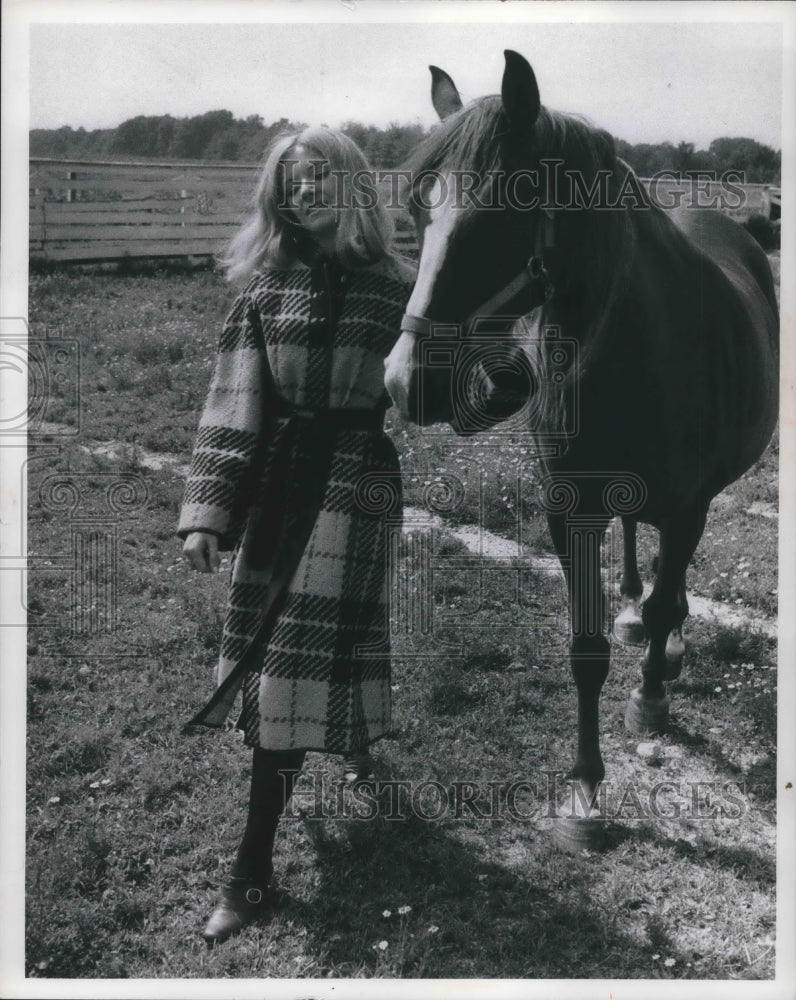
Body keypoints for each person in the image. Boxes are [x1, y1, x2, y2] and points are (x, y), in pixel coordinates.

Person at [178, 127, 414, 943]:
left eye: (319, 179)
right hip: (281, 490)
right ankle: (255, 868)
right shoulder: (262, 292)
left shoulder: (400, 293)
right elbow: (231, 406)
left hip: (358, 490)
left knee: (316, 658)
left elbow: (445, 395)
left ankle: (251, 870)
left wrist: (503, 369)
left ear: (352, 188)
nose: (304, 193)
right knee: (285, 670)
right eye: (290, 182)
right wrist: (209, 511)